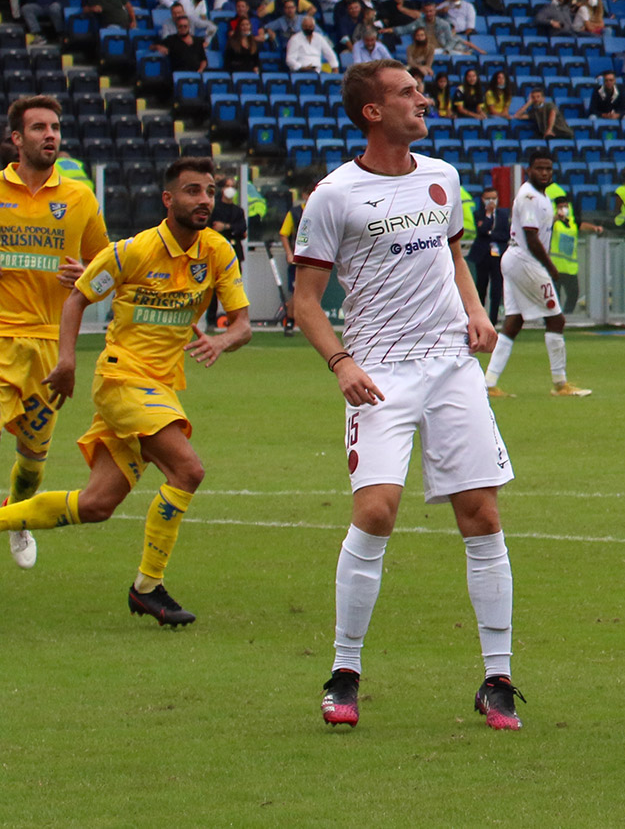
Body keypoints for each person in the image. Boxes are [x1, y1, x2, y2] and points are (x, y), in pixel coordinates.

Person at [284, 60, 521, 731]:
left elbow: (454, 255)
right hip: (379, 369)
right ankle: (344, 669)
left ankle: (498, 677)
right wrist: (340, 362)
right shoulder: (335, 195)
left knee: (482, 514)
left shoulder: (441, 176)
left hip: (451, 364)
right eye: (407, 93)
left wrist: (473, 309)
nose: (423, 99)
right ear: (372, 111)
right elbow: (305, 302)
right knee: (378, 511)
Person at [3, 158, 249, 626]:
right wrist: (67, 361)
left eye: (210, 191)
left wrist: (222, 339)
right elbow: (77, 297)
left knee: (96, 505)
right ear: (168, 199)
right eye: (192, 191)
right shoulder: (132, 251)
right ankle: (148, 587)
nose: (204, 200)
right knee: (188, 469)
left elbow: (242, 326)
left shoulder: (216, 251)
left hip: (159, 388)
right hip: (121, 380)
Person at [0, 97, 110, 570]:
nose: (51, 135)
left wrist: (86, 273)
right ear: (16, 139)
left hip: (50, 345)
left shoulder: (80, 197)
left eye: (56, 127)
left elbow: (109, 271)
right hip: (2, 336)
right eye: (39, 127)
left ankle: (17, 515)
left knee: (32, 458)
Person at [482, 152, 591, 398]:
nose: (545, 173)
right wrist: (550, 267)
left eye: (549, 169)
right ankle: (560, 383)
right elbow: (531, 236)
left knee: (514, 321)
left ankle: (488, 383)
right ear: (529, 170)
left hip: (514, 258)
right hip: (525, 260)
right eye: (539, 168)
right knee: (556, 319)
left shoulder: (542, 196)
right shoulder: (530, 196)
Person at [470, 186, 508, 321]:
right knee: (481, 287)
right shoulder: (478, 214)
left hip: (498, 256)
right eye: (488, 199)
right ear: (482, 199)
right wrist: (487, 216)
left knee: (497, 289)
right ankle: (479, 318)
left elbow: (505, 235)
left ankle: (493, 319)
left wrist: (491, 234)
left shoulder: (503, 215)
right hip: (483, 256)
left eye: (493, 198)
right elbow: (481, 231)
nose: (491, 201)